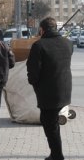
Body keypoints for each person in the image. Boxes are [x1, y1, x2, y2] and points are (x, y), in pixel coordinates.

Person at [27, 17, 73, 160]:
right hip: (64, 90)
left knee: (48, 123)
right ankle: (55, 154)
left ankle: (57, 156)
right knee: (52, 122)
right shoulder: (68, 43)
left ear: (42, 29)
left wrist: (33, 83)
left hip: (48, 92)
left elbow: (33, 71)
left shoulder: (39, 45)